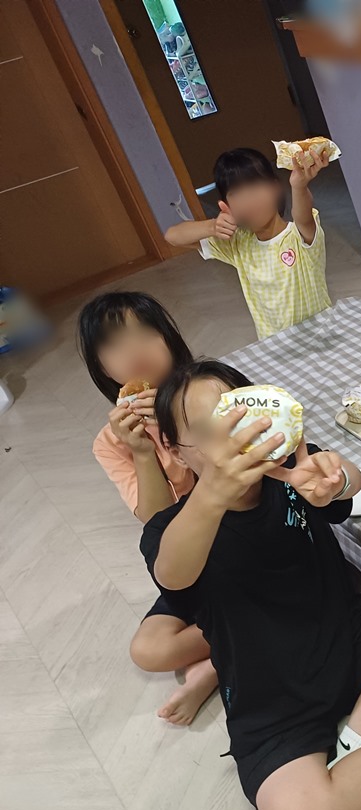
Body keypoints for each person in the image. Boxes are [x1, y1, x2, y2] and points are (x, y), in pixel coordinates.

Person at [143, 360, 361, 810]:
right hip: (271, 699)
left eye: (242, 421)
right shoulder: (171, 528)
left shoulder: (288, 471)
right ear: (175, 451)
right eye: (210, 433)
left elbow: (348, 481)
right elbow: (174, 573)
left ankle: (352, 749)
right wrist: (211, 495)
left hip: (346, 639)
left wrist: (337, 479)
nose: (233, 444)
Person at [78, 291, 214, 726]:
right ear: (102, 367)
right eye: (114, 344)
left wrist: (184, 425)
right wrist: (141, 450)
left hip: (239, 535)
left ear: (169, 337)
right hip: (187, 556)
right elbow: (156, 521)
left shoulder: (206, 394)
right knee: (148, 650)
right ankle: (233, 637)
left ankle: (216, 663)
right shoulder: (110, 441)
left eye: (145, 333)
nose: (133, 350)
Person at [164, 146, 332, 339]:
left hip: (320, 337)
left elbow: (303, 216)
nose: (248, 201)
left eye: (254, 187)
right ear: (226, 204)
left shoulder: (298, 235)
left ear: (275, 188)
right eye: (236, 193)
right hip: (274, 346)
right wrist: (211, 226)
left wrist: (299, 186)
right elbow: (172, 236)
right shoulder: (238, 244)